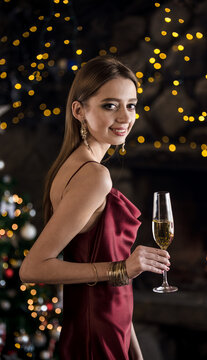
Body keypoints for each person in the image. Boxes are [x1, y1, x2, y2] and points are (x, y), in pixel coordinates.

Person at [19, 56, 171, 360]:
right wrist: (122, 269)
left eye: (131, 105)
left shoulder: (73, 164)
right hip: (95, 335)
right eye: (110, 105)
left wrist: (134, 351)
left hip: (108, 325)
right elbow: (32, 268)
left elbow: (116, 286)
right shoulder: (94, 176)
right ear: (79, 110)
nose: (125, 117)